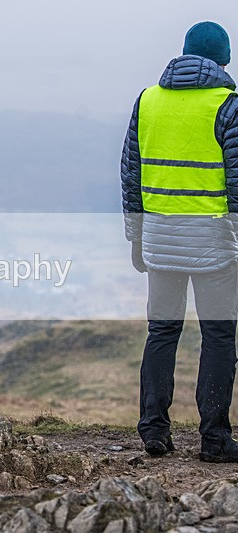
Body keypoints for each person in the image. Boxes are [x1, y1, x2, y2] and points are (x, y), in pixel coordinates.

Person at [121, 21, 238, 462]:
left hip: (161, 241)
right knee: (219, 336)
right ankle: (214, 438)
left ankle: (153, 430)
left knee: (162, 332)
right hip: (217, 246)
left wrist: (137, 239)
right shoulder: (229, 106)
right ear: (223, 60)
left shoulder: (148, 101)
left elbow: (131, 177)